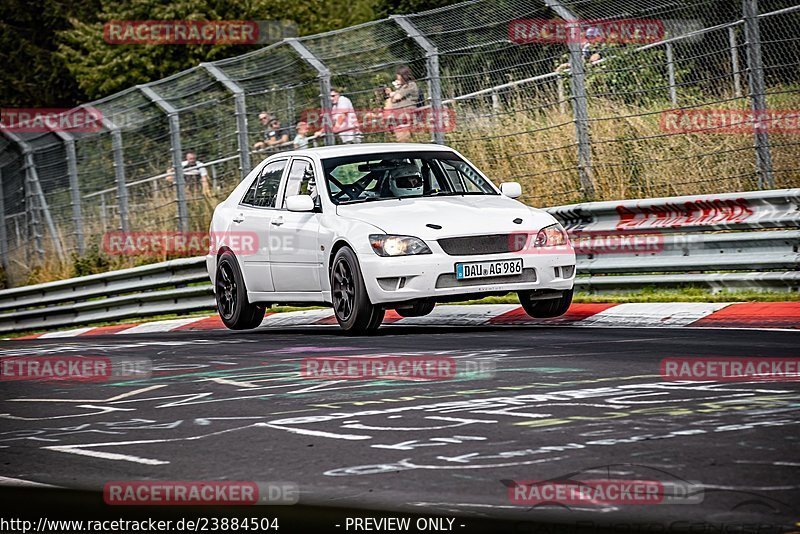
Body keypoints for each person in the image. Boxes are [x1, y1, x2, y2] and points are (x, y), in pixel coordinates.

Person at [388, 66, 419, 142]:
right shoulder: (402, 87)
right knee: (399, 139)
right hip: (398, 117)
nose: (398, 78)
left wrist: (393, 93)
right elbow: (393, 98)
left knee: (404, 140)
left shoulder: (410, 85)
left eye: (399, 77)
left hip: (405, 116)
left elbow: (397, 97)